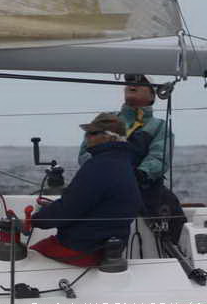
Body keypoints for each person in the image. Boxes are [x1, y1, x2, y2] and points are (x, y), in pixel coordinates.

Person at [30, 112, 142, 266]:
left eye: (93, 133)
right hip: (107, 248)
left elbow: (69, 209)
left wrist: (32, 221)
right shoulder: (124, 162)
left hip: (83, 248)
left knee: (32, 255)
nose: (87, 137)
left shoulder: (98, 165)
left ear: (110, 137)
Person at [78, 74, 172, 212]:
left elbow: (159, 158)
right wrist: (103, 172)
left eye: (140, 82)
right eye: (129, 81)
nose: (132, 85)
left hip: (141, 196)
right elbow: (84, 153)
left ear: (152, 95)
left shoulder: (159, 127)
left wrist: (137, 175)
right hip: (99, 190)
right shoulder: (106, 119)